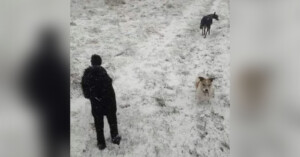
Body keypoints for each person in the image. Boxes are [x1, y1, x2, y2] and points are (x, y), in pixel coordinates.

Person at [81, 54, 121, 150]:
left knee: (98, 123)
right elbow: (110, 90)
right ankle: (115, 138)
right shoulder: (103, 73)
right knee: (112, 120)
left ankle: (101, 143)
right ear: (100, 62)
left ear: (91, 62)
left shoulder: (86, 75)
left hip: (96, 105)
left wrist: (94, 97)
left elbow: (86, 94)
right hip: (109, 103)